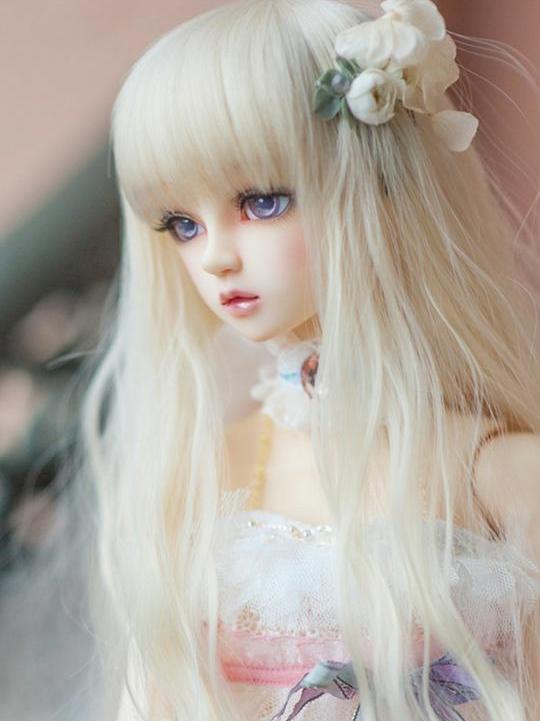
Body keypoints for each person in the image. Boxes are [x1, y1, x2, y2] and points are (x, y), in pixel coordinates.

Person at [75, 0, 540, 719]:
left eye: (262, 201)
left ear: (379, 190)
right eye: (183, 224)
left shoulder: (497, 471)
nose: (216, 256)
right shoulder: (201, 475)